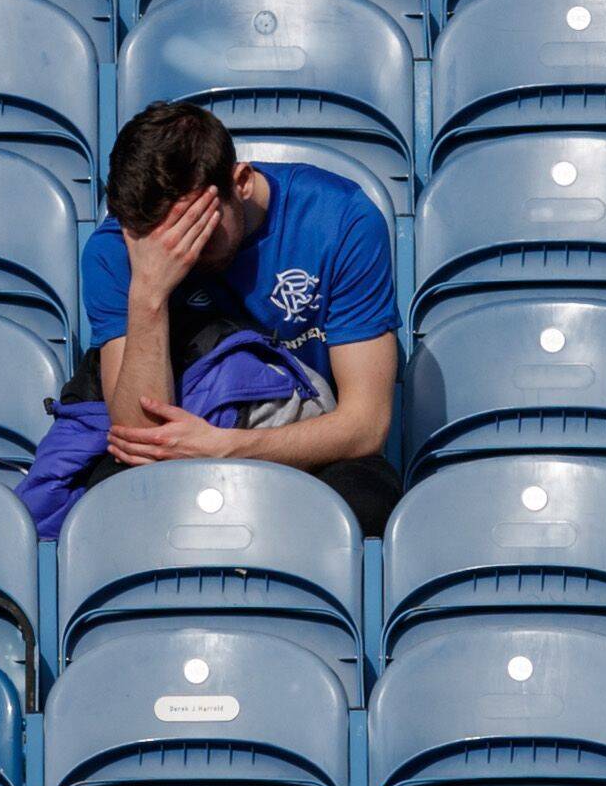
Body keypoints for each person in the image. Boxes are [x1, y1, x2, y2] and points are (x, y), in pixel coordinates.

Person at [71, 99, 402, 519]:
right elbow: (143, 435)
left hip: (308, 441)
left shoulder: (341, 221)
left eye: (198, 232)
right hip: (179, 437)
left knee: (364, 504)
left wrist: (226, 448)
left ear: (240, 181)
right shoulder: (115, 249)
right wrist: (149, 293)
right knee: (108, 506)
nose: (182, 253)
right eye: (161, 242)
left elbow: (366, 424)